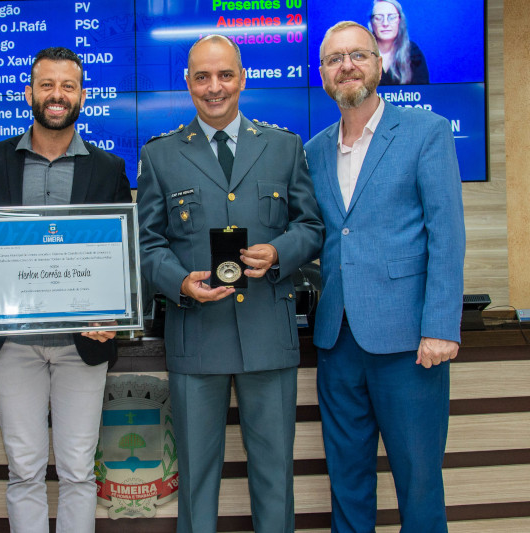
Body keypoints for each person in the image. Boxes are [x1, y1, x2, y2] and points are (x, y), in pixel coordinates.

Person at [136, 35, 324, 532]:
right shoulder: (160, 155)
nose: (213, 87)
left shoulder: (284, 146)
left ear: (242, 78)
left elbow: (311, 226)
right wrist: (180, 283)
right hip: (197, 335)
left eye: (224, 75)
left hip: (268, 331)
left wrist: (281, 251)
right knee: (196, 478)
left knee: (274, 474)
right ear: (188, 82)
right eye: (202, 76)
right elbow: (147, 243)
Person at [0, 47, 131, 533]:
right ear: (29, 93)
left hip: (82, 344)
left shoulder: (108, 168)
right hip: (14, 343)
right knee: (23, 470)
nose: (57, 95)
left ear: (82, 96)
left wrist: (113, 314)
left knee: (76, 471)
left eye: (67, 86)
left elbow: (122, 254)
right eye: (47, 85)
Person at [305, 21, 465, 532]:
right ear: (323, 75)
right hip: (336, 341)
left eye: (357, 55)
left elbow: (447, 233)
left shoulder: (427, 132)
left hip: (409, 342)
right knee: (347, 482)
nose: (346, 66)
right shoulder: (312, 151)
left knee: (418, 482)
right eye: (334, 59)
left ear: (379, 64)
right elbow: (321, 235)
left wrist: (441, 325)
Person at [369, 0, 428, 84]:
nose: (385, 23)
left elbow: (423, 93)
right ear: (371, 23)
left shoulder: (413, 53)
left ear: (400, 21)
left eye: (392, 17)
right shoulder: (361, 53)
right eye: (378, 18)